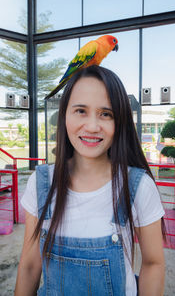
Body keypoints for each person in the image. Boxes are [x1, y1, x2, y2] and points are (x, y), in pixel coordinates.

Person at [15, 65, 165, 296]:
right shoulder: (41, 182)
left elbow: (153, 263)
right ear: (64, 115)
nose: (93, 126)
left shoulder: (138, 186)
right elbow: (29, 266)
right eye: (81, 111)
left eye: (106, 114)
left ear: (120, 122)